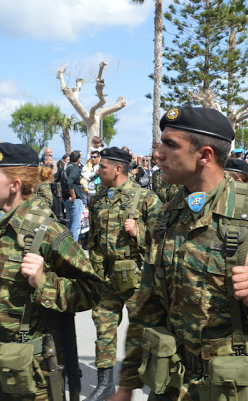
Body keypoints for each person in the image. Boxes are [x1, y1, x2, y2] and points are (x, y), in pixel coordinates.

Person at [110, 106, 248, 400]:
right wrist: (126, 385)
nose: (158, 153)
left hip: (231, 386)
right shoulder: (165, 217)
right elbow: (147, 307)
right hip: (171, 383)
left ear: (204, 155)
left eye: (170, 144)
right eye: (160, 143)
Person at [0, 142, 103, 399]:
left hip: (31, 373)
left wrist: (43, 280)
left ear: (15, 185)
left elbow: (92, 290)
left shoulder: (46, 231)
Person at [87, 147, 162, 400]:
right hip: (107, 277)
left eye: (102, 167)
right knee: (103, 326)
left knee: (145, 332)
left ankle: (154, 381)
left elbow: (164, 242)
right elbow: (94, 241)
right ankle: (105, 383)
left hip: (137, 278)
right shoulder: (98, 199)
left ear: (118, 169)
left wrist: (138, 232)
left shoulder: (146, 198)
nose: (98, 171)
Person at [61, 150, 86, 241]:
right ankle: (73, 249)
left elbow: (55, 178)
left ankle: (67, 246)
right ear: (79, 159)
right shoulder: (75, 168)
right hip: (74, 200)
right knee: (75, 227)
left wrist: (59, 193)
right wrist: (73, 195)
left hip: (66, 199)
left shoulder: (65, 167)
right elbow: (70, 181)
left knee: (69, 226)